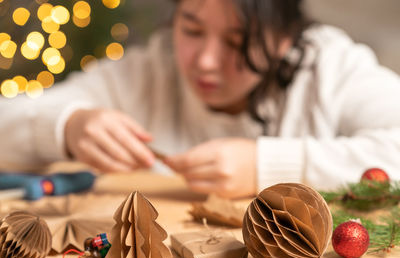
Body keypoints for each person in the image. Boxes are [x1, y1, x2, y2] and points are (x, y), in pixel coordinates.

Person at [1, 0, 400, 198]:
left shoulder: (330, 66)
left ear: (286, 38)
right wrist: (67, 125)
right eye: (191, 30)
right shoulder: (148, 70)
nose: (206, 62)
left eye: (237, 41)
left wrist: (267, 165)